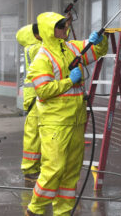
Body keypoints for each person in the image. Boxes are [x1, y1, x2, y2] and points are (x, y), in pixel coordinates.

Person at [26, 12, 108, 216]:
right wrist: (69, 81)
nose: (65, 28)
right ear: (49, 30)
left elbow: (98, 51)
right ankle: (34, 210)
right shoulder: (42, 58)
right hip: (55, 124)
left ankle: (63, 212)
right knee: (53, 169)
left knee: (71, 172)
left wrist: (100, 41)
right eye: (60, 25)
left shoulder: (72, 48)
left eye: (64, 24)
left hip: (76, 121)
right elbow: (42, 90)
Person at [16, 23, 43, 182]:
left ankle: (33, 168)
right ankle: (31, 169)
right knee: (34, 134)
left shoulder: (31, 47)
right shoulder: (36, 48)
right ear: (37, 35)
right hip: (36, 95)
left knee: (34, 133)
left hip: (33, 95)